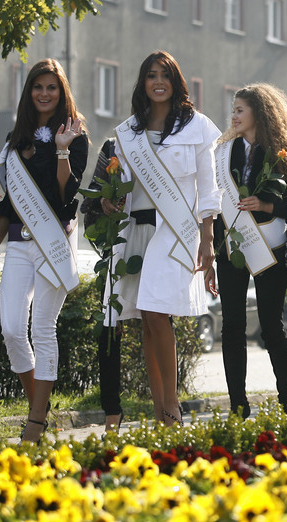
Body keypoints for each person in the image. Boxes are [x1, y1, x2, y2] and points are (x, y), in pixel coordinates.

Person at [101, 51, 220, 426]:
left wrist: (208, 239)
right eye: (151, 75)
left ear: (175, 81)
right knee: (146, 317)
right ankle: (160, 410)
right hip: (136, 229)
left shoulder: (197, 127)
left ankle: (171, 406)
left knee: (156, 311)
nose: (158, 82)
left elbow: (208, 188)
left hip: (175, 233)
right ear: (143, 82)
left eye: (165, 75)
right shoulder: (128, 132)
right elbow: (119, 185)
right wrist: (109, 198)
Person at [0, 59, 88, 443]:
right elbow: (9, 204)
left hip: (54, 241)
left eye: (51, 87)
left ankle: (35, 422)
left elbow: (64, 195)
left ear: (62, 91)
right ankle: (38, 407)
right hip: (20, 245)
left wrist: (60, 150)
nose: (44, 93)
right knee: (10, 329)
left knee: (42, 328)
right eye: (38, 86)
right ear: (29, 91)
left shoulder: (75, 134)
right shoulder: (15, 137)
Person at [211, 83, 287, 417]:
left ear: (259, 113)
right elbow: (214, 203)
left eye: (239, 110)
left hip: (271, 247)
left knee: (270, 325)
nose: (233, 116)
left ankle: (286, 397)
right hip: (232, 246)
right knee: (232, 325)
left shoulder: (281, 153)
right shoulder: (223, 153)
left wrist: (266, 205)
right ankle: (238, 403)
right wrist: (212, 250)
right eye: (233, 110)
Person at [80, 138, 126, 433]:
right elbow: (88, 200)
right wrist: (104, 201)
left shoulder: (165, 144)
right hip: (115, 245)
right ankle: (112, 409)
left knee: (158, 322)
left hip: (151, 242)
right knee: (109, 326)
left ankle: (165, 406)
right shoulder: (113, 145)